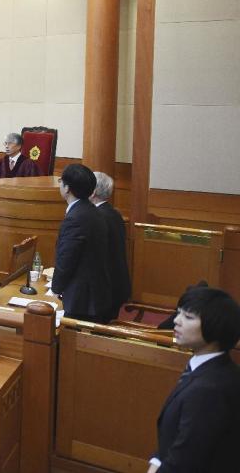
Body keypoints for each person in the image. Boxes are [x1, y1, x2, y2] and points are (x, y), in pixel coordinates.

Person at [149, 286, 240, 473]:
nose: (176, 321)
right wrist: (157, 462)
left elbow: (185, 460)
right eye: (179, 313)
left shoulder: (210, 389)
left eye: (188, 317)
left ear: (216, 328)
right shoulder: (208, 368)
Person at [51, 164, 112, 323]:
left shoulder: (76, 218)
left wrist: (56, 288)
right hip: (94, 292)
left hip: (82, 299)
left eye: (61, 181)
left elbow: (67, 258)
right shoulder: (92, 211)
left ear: (67, 188)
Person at [92, 172, 131, 320]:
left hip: (105, 289)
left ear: (93, 192)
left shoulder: (97, 218)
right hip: (116, 284)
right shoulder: (114, 214)